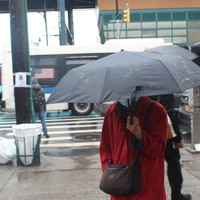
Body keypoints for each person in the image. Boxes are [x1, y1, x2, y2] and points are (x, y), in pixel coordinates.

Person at [100, 96, 168, 200]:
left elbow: (158, 148)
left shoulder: (156, 110)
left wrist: (139, 133)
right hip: (119, 186)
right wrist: (109, 172)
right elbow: (105, 147)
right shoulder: (112, 111)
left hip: (147, 187)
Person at [155, 94, 192, 200]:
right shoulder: (166, 91)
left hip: (153, 133)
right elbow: (169, 114)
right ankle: (176, 194)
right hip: (165, 135)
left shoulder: (149, 88)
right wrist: (178, 139)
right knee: (174, 162)